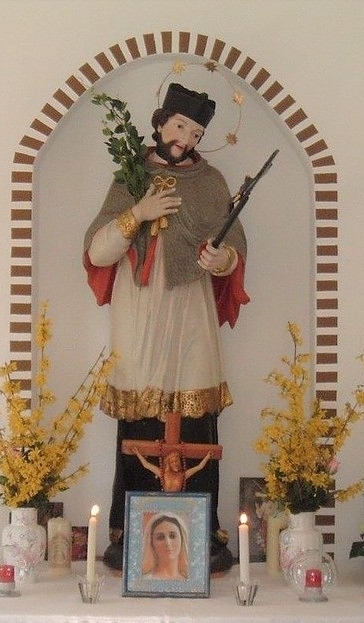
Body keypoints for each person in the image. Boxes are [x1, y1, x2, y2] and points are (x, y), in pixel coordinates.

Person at [84, 83, 249, 573]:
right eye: (180, 127)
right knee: (139, 419)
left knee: (196, 418)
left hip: (191, 314)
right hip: (139, 313)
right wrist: (138, 213)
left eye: (196, 133)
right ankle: (132, 532)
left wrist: (223, 259)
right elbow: (98, 253)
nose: (186, 139)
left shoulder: (211, 181)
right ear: (160, 123)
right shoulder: (131, 176)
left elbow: (235, 247)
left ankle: (201, 533)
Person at [133, 447, 212, 493]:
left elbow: (199, 467)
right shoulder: (163, 473)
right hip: (165, 499)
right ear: (168, 464)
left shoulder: (183, 475)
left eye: (176, 461)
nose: (175, 464)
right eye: (172, 462)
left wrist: (208, 456)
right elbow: (146, 465)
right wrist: (137, 453)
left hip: (177, 500)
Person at [141, 512, 189, 580]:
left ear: (182, 540)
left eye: (172, 536)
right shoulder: (145, 580)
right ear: (152, 543)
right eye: (160, 537)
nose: (167, 543)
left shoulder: (188, 581)